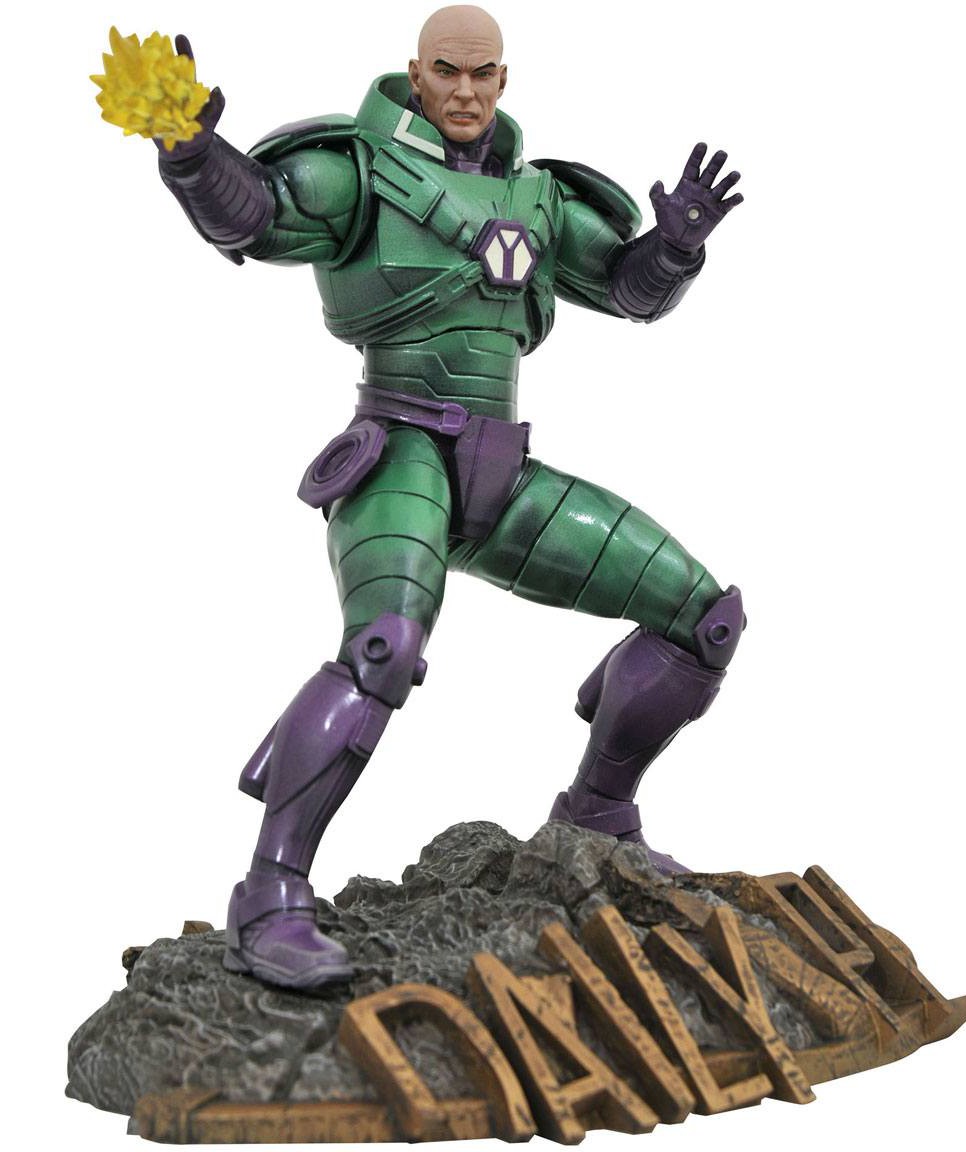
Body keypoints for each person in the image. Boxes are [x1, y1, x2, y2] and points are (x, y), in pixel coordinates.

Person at [145, 5, 745, 989]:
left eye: (482, 73)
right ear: (416, 74)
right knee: (385, 644)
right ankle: (271, 892)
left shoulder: (539, 197)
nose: (465, 90)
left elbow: (624, 287)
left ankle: (598, 817)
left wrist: (675, 247)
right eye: (447, 71)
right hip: (398, 456)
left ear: (503, 80)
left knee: (704, 620)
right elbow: (259, 214)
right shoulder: (363, 170)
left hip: (503, 474)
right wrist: (192, 153)